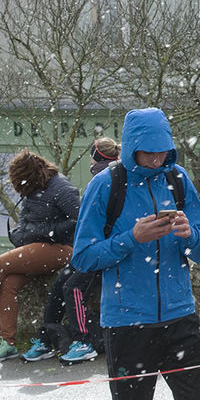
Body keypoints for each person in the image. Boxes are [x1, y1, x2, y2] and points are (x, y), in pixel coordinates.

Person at [71, 108, 200, 400]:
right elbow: (82, 258)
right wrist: (130, 238)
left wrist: (188, 235)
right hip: (127, 326)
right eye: (148, 153)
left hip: (181, 319)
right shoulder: (105, 186)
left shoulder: (178, 180)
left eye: (163, 152)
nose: (155, 160)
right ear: (131, 148)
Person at [0, 149, 79, 362]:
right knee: (9, 284)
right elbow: (27, 223)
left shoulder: (61, 189)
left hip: (63, 248)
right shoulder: (34, 189)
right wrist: (20, 235)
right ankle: (8, 343)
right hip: (39, 247)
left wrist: (46, 231)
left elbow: (79, 220)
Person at [23, 137, 121, 364]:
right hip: (90, 248)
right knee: (60, 284)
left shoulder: (108, 180)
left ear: (95, 157)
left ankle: (84, 341)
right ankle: (47, 339)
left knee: (73, 288)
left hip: (102, 250)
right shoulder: (106, 178)